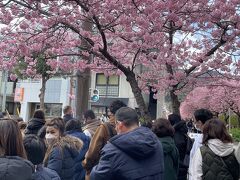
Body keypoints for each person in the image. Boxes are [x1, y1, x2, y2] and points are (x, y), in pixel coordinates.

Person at [90, 107, 164, 180]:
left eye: (115, 125)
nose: (115, 129)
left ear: (119, 124)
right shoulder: (156, 142)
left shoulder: (112, 150)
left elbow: (97, 176)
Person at [83, 100, 126, 180]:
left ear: (111, 112)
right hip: (122, 170)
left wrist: (86, 165)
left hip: (103, 169)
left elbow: (93, 151)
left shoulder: (104, 127)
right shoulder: (128, 127)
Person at [168, 113, 190, 180]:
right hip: (183, 165)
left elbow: (177, 152)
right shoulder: (182, 131)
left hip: (178, 167)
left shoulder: (176, 134)